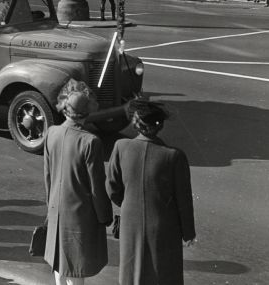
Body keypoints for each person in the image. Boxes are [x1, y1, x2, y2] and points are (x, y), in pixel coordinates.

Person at [107, 100, 196, 285]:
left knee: (133, 272)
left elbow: (112, 188)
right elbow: (184, 200)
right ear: (160, 126)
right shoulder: (173, 156)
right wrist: (188, 233)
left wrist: (130, 202)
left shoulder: (121, 147)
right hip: (164, 227)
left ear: (136, 125)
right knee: (163, 274)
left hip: (130, 222)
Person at [44, 81, 112, 285]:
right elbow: (96, 187)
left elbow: (48, 177)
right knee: (76, 270)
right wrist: (105, 216)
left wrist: (50, 207)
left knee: (60, 263)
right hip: (80, 216)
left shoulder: (52, 133)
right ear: (86, 112)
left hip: (56, 210)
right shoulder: (90, 141)